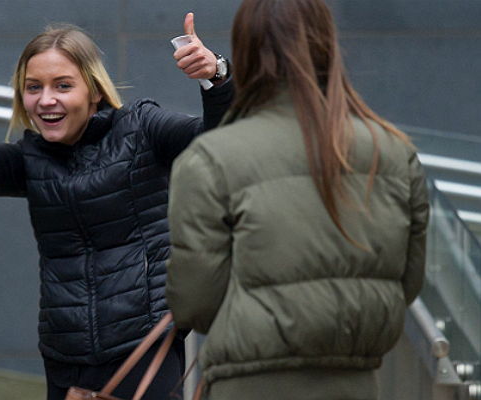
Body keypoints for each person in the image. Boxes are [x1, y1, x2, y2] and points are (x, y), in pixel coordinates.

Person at [0, 13, 233, 400]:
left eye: (63, 85)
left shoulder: (140, 127)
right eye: (33, 87)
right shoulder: (32, 156)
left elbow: (218, 140)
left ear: (94, 90)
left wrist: (217, 77)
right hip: (66, 355)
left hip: (144, 346)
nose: (46, 100)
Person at [165, 0, 429, 399]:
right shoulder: (393, 153)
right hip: (358, 382)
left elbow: (195, 303)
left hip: (247, 384)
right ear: (328, 47)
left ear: (247, 51)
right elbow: (406, 284)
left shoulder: (211, 160)